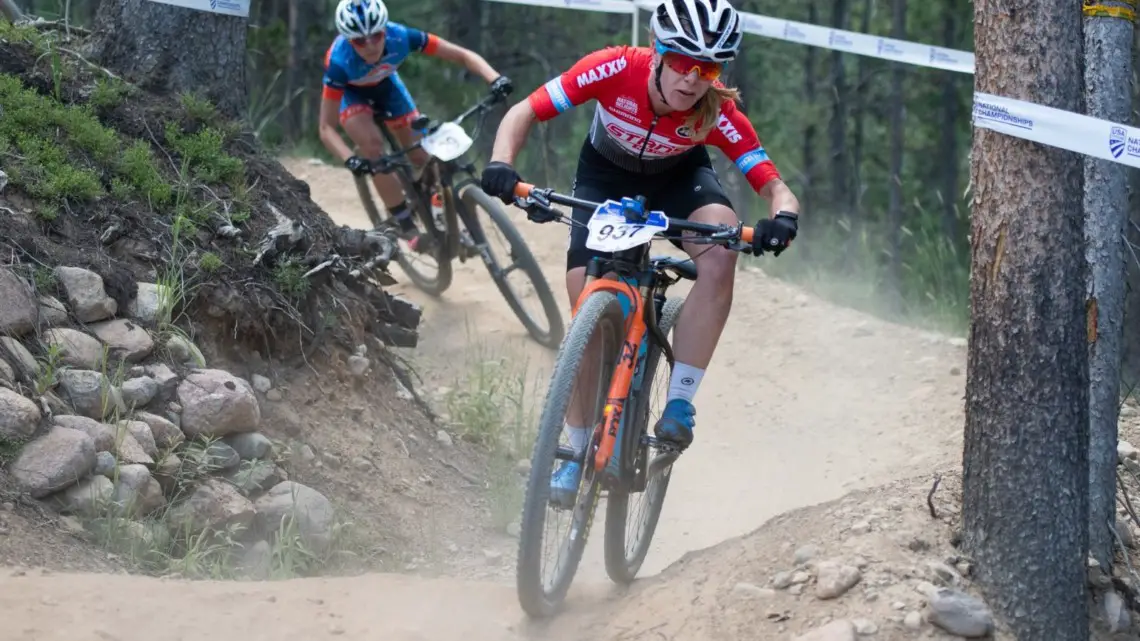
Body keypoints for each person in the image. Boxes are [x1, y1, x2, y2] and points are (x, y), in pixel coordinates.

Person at [479, 0, 801, 504]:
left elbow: (774, 185)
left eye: (709, 67)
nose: (693, 79)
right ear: (658, 50)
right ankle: (575, 450)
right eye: (682, 61)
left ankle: (679, 403)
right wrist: (502, 163)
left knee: (721, 250)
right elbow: (525, 111)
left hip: (680, 181)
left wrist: (783, 218)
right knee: (585, 310)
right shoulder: (614, 67)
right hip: (604, 177)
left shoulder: (717, 110)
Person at [319, 0, 513, 249]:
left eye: (376, 35)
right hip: (351, 94)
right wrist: (350, 160)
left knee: (423, 154)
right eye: (359, 41)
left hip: (387, 87)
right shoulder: (338, 63)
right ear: (347, 40)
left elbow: (462, 55)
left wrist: (494, 78)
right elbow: (326, 128)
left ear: (385, 30)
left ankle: (437, 211)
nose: (370, 45)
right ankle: (404, 221)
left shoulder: (401, 37)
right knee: (374, 149)